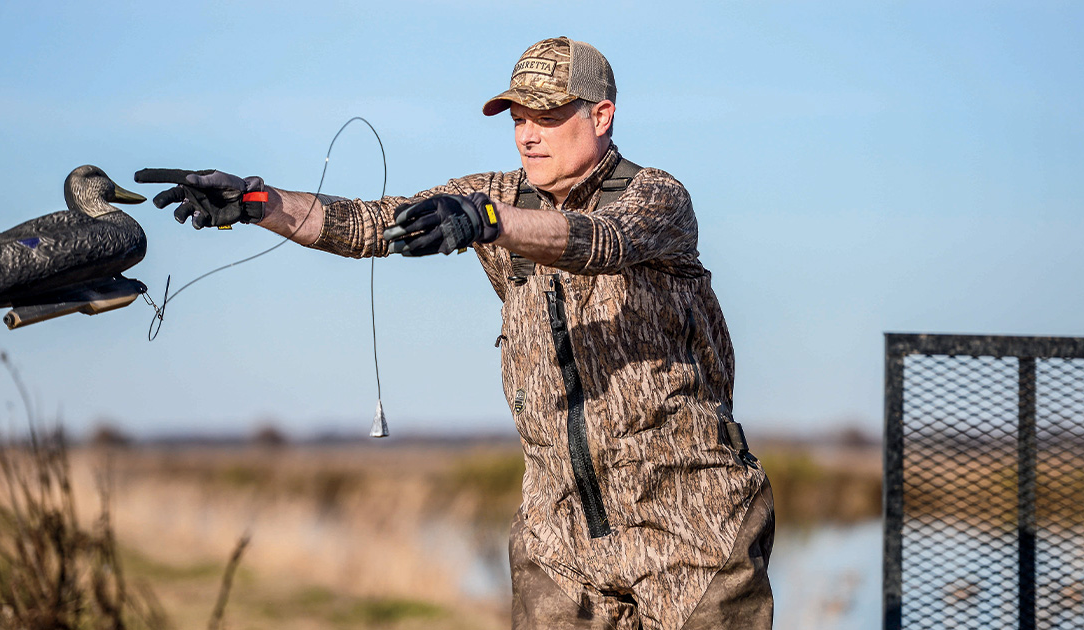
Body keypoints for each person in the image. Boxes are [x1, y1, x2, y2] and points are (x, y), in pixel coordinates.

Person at [138, 36, 774, 630]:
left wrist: (489, 223)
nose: (527, 135)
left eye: (547, 117)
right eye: (517, 118)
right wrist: (259, 203)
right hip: (558, 540)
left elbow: (601, 243)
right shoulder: (487, 195)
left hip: (691, 527)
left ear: (601, 116)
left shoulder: (656, 197)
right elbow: (366, 224)